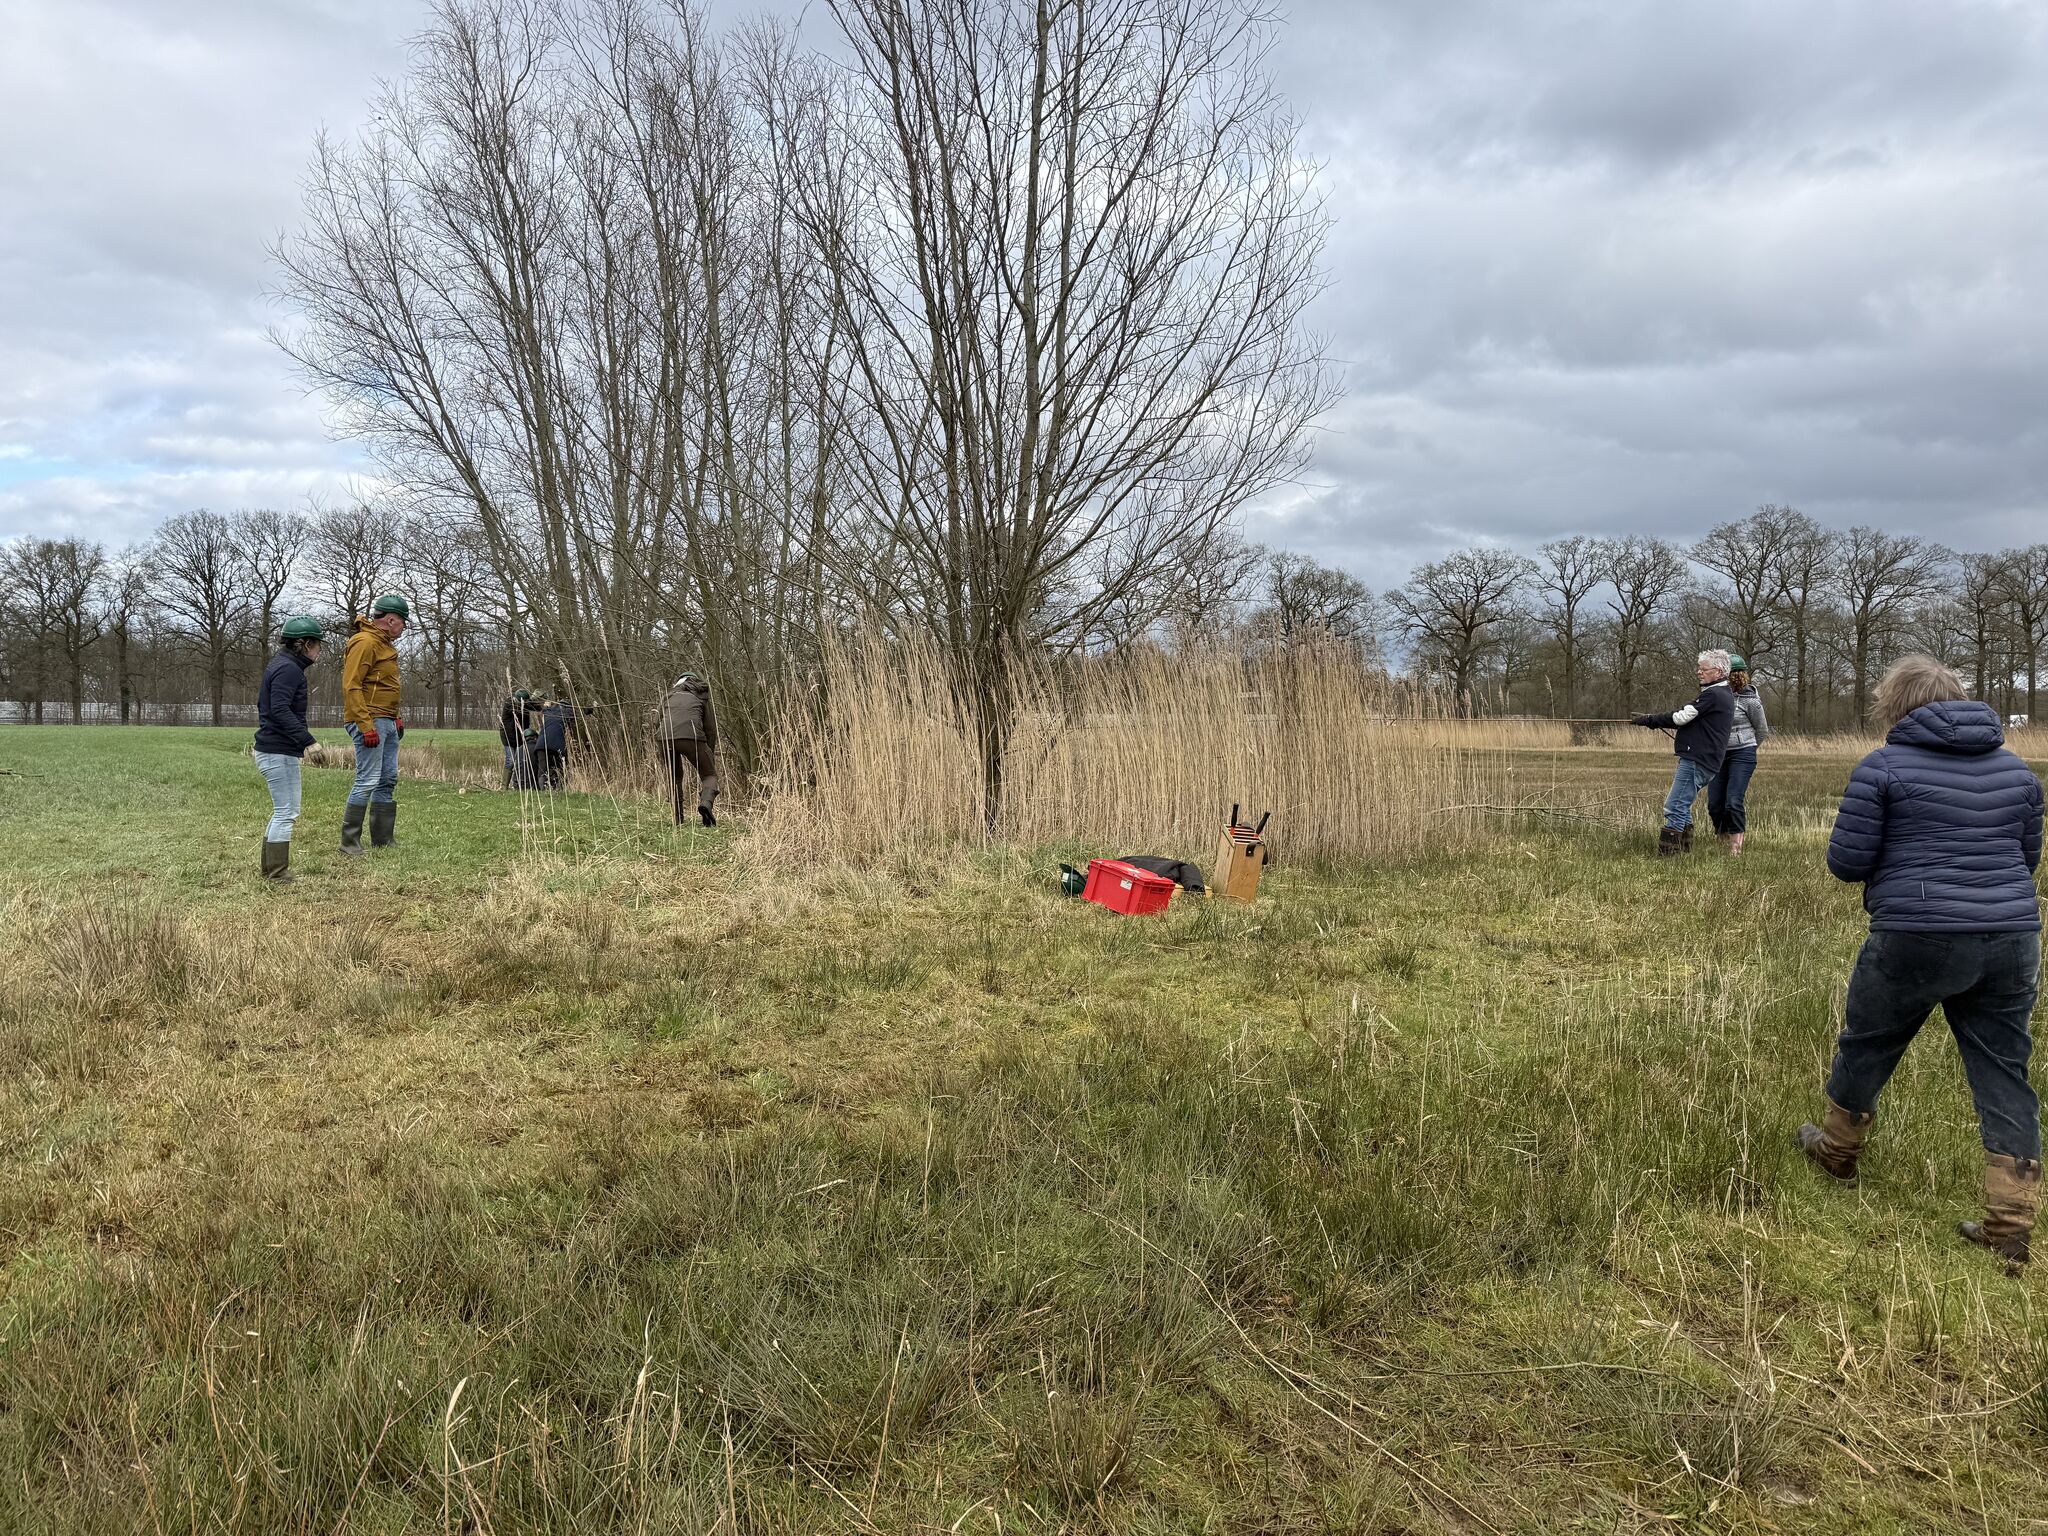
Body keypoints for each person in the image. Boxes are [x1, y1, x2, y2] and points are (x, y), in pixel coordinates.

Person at [1798, 655, 2044, 1267]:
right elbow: (2027, 859)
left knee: (1868, 1042)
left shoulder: (1882, 767)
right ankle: (2012, 1223)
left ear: (1895, 705)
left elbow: (1846, 862)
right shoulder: (2018, 772)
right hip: (2012, 936)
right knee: (2004, 1070)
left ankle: (1837, 1151)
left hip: (1915, 933)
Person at [1631, 649, 1735, 856]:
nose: (1699, 672)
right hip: (1706, 759)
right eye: (1699, 668)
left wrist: (1649, 720)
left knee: (1675, 805)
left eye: (1704, 669)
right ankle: (1684, 850)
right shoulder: (1719, 694)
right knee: (1682, 803)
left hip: (1697, 759)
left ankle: (1669, 855)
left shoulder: (1714, 695)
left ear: (1719, 672)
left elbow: (1680, 717)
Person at [252, 616, 325, 883]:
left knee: (282, 810)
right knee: (286, 811)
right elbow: (279, 709)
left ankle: (270, 869)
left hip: (275, 749)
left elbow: (266, 705)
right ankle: (277, 873)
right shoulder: (289, 669)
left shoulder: (280, 664)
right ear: (304, 644)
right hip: (277, 751)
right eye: (317, 644)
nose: (319, 650)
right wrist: (308, 741)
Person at [340, 593, 410, 853]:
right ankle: (350, 843)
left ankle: (383, 839)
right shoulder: (365, 642)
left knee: (388, 778)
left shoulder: (384, 644)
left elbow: (385, 686)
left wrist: (396, 716)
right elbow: (352, 685)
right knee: (367, 779)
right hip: (370, 720)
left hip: (386, 720)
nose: (403, 627)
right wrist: (365, 724)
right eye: (403, 622)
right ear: (391, 620)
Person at [1707, 654, 1770, 854]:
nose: (1732, 678)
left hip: (1743, 754)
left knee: (1733, 801)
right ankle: (1722, 836)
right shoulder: (1714, 696)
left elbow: (1762, 730)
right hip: (1719, 756)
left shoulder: (1751, 700)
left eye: (1735, 673)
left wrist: (1749, 748)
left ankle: (1736, 845)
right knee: (1715, 804)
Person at [655, 672, 719, 826]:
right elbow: (710, 729)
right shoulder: (701, 695)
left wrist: (661, 744)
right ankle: (705, 804)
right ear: (695, 681)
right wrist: (709, 752)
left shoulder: (669, 695)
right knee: (709, 775)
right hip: (692, 737)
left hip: (664, 737)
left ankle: (677, 819)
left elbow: (656, 722)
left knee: (674, 777)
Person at [499, 689, 535, 788]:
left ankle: (520, 785)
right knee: (510, 761)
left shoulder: (525, 706)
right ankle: (504, 787)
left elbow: (533, 709)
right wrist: (529, 705)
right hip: (508, 737)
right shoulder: (509, 704)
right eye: (524, 702)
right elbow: (519, 708)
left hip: (520, 737)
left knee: (521, 761)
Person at [538, 696, 570, 788]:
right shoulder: (566, 712)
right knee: (559, 767)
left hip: (541, 744)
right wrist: (591, 708)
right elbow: (580, 712)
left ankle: (542, 791)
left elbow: (544, 709)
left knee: (542, 769)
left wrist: (547, 705)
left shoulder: (549, 711)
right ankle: (559, 788)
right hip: (556, 745)